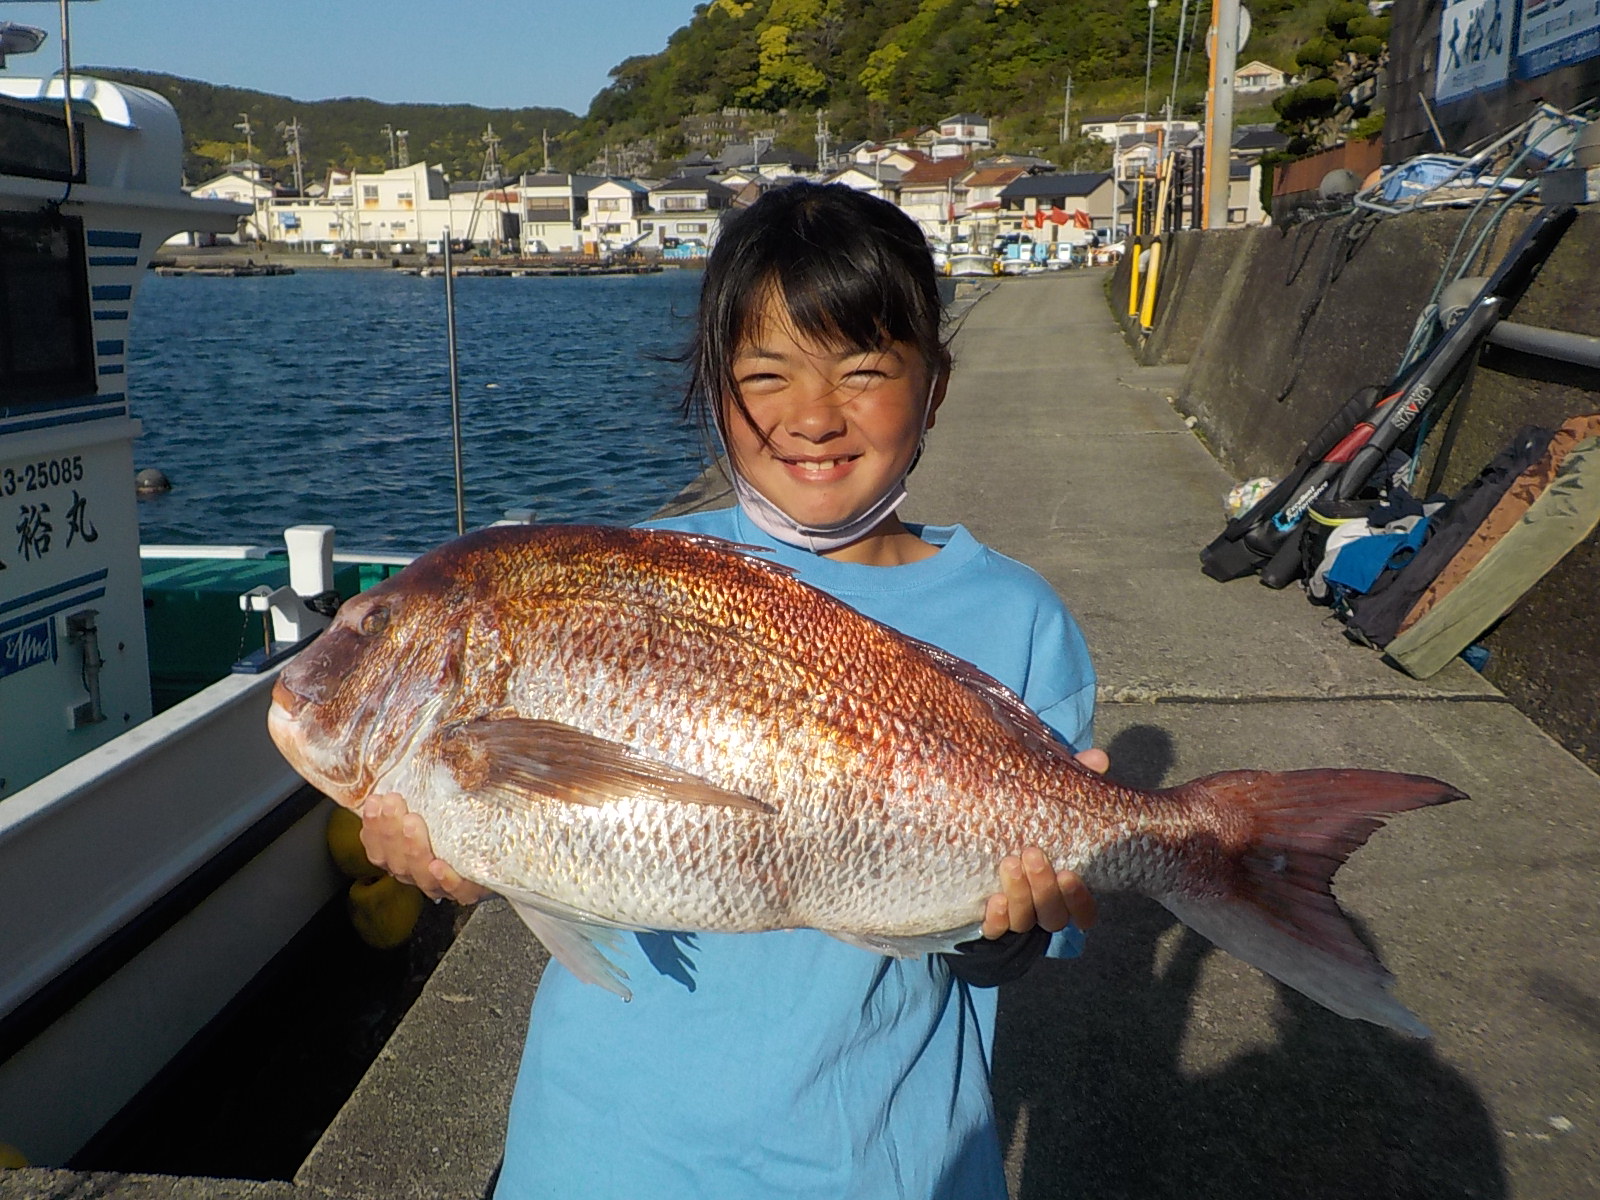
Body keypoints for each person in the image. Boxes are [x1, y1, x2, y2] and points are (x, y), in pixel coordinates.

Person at [359, 181, 1104, 1199]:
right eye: (765, 373)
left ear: (933, 389)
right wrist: (449, 852)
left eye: (864, 370)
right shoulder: (624, 576)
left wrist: (1003, 922)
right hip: (597, 1151)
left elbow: (1000, 950)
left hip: (875, 1158)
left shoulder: (1017, 619)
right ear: (716, 388)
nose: (812, 414)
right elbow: (557, 832)